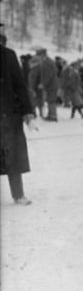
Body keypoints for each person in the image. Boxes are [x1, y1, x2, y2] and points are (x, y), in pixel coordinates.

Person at [1, 42, 36, 205]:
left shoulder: (8, 55)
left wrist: (27, 111)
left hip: (8, 114)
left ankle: (18, 194)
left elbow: (20, 86)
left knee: (13, 156)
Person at [28, 48, 59, 121]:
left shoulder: (47, 62)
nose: (37, 57)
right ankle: (50, 115)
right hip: (51, 84)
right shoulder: (47, 61)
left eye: (38, 55)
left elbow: (48, 75)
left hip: (51, 85)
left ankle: (52, 116)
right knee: (50, 100)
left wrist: (43, 83)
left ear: (42, 54)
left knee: (51, 100)